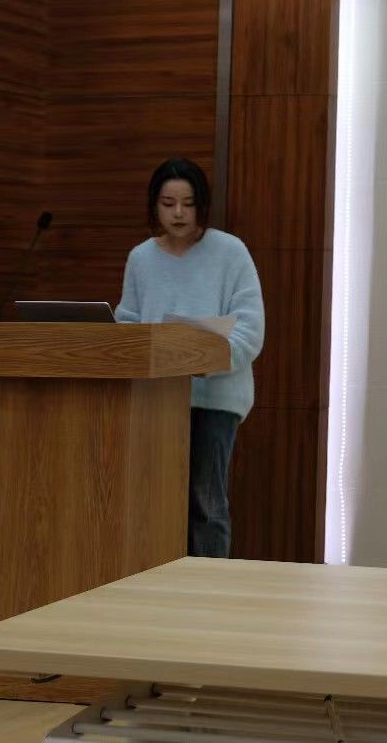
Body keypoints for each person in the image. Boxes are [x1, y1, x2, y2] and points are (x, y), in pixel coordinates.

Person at [115, 158, 264, 558]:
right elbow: (127, 324)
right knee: (154, 500)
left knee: (205, 503)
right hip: (155, 398)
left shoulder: (230, 252)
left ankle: (210, 586)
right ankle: (158, 580)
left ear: (203, 205)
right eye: (168, 203)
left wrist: (203, 358)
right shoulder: (141, 258)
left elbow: (250, 330)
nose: (178, 213)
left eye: (188, 203)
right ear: (154, 205)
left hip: (214, 399)